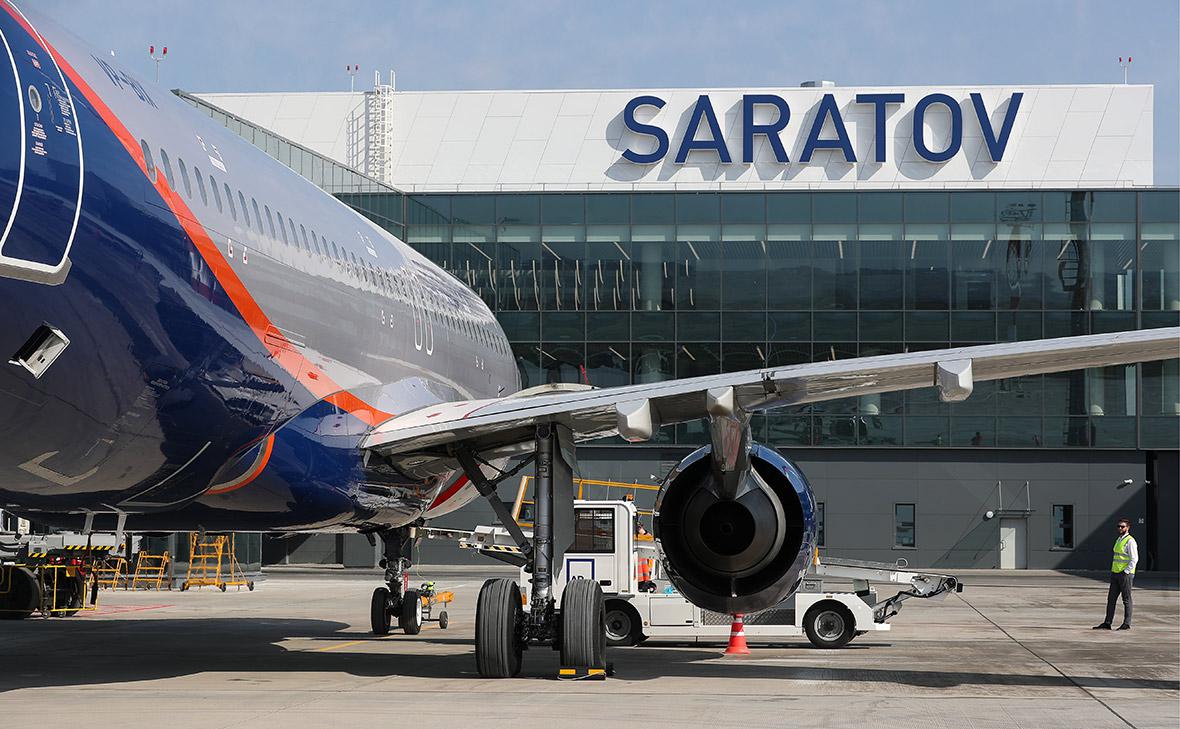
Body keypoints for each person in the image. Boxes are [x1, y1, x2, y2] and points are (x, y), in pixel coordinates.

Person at [1094, 517, 1137, 631]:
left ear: (1128, 528)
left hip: (1125, 575)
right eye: (1118, 526)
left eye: (1122, 526)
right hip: (1115, 573)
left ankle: (1126, 623)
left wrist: (1126, 571)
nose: (1120, 528)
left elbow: (1134, 559)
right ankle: (1107, 623)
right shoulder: (1119, 539)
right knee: (1111, 599)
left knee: (1126, 599)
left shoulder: (1130, 541)